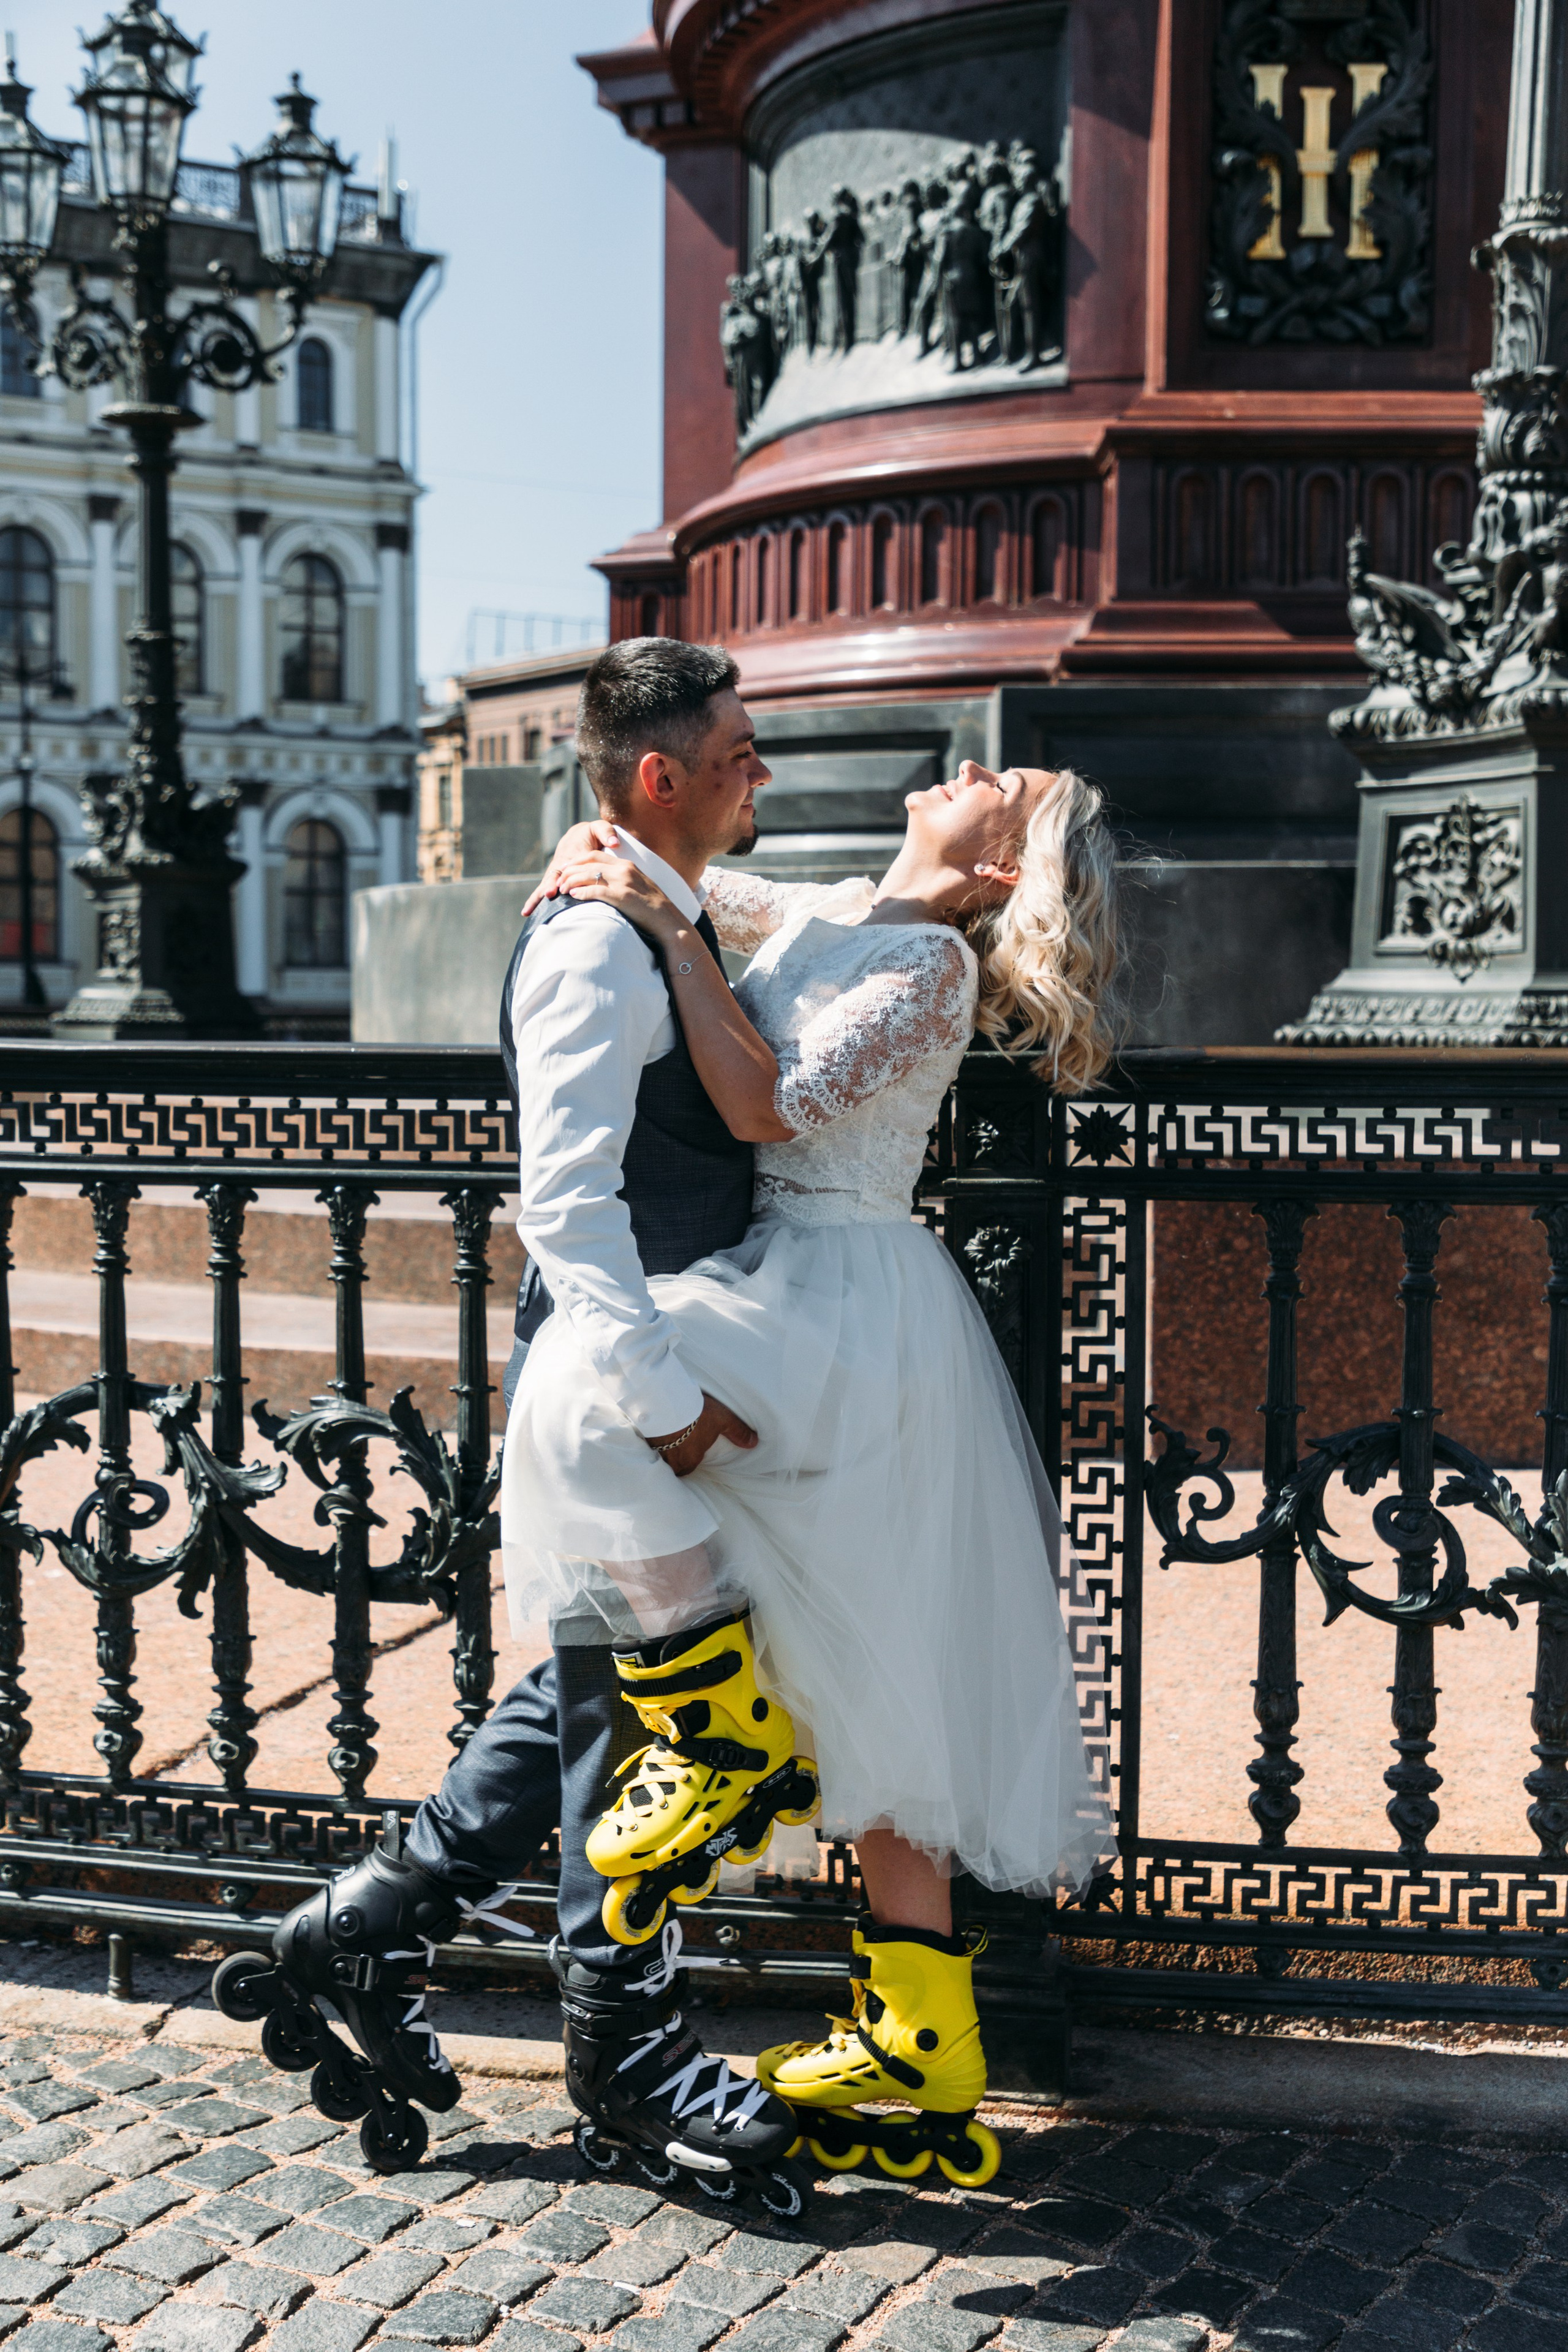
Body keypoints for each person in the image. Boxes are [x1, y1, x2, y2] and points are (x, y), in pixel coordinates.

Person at [230, 641, 815, 2211]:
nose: (764, 773)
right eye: (741, 752)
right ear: (658, 775)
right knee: (648, 1731)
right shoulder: (592, 951)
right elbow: (563, 1205)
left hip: (650, 1379)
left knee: (591, 1702)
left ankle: (359, 1927)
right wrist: (666, 1406)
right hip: (621, 1395)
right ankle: (621, 2062)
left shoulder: (656, 911)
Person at [513, 734, 1120, 2179]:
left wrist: (664, 925)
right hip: (779, 1286)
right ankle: (920, 2023)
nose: (969, 758)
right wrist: (605, 872)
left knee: (589, 1409)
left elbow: (762, 1106)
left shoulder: (931, 974)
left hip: (846, 1299)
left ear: (996, 865)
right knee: (864, 1653)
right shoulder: (839, 904)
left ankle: (722, 1731)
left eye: (1003, 781)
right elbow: (701, 887)